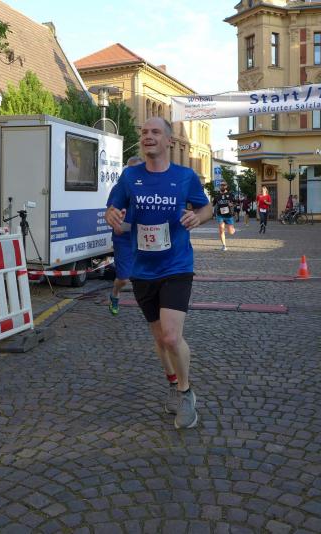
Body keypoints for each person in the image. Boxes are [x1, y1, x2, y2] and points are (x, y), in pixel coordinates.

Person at [105, 117, 212, 429]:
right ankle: (172, 383)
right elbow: (114, 211)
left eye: (155, 132)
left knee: (171, 335)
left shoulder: (185, 177)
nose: (148, 136)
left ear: (168, 141)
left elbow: (206, 208)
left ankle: (186, 393)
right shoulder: (130, 177)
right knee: (160, 339)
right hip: (143, 269)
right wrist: (111, 216)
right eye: (144, 132)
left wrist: (199, 217)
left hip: (177, 265)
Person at [108, 155, 143, 316]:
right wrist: (117, 224)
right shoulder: (118, 189)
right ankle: (115, 293)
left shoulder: (149, 188)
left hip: (145, 238)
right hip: (124, 238)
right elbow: (110, 213)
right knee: (123, 278)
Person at [212, 182, 237, 251]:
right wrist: (213, 213)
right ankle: (224, 245)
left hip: (229, 215)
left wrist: (232, 204)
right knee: (221, 229)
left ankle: (232, 229)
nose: (222, 186)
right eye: (221, 185)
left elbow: (235, 203)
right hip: (220, 215)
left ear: (226, 186)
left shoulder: (231, 195)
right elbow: (213, 204)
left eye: (224, 185)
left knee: (231, 232)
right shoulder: (217, 196)